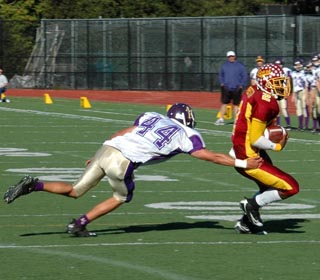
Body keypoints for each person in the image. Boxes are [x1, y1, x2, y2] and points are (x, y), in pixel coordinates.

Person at [3, 103, 262, 237]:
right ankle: (79, 224)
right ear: (186, 118)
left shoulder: (151, 116)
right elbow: (212, 156)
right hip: (124, 160)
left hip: (107, 149)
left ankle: (33, 185)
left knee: (74, 190)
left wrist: (95, 156)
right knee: (121, 197)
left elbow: (124, 132)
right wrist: (243, 163)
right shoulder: (188, 134)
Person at [230, 64, 299, 234]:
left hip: (241, 148)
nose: (282, 86)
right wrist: (276, 145)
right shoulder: (266, 101)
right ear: (266, 82)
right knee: (291, 187)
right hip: (249, 156)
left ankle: (246, 223)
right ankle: (251, 205)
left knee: (267, 188)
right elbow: (255, 138)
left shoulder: (254, 90)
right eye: (277, 82)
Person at [215, 51, 248, 125]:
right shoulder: (224, 66)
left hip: (237, 88)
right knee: (224, 103)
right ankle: (221, 119)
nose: (231, 57)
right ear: (227, 57)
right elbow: (221, 75)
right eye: (230, 56)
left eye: (232, 56)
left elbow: (244, 76)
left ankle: (236, 120)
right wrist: (222, 83)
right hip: (226, 88)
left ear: (235, 56)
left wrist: (241, 84)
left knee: (236, 105)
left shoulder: (240, 66)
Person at [274, 59, 292, 129]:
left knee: (284, 108)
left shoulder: (286, 70)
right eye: (277, 64)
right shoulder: (273, 72)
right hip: (276, 91)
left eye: (280, 64)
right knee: (277, 109)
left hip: (283, 91)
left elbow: (289, 81)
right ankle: (278, 124)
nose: (278, 66)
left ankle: (288, 124)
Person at [291, 59, 308, 130]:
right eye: (296, 65)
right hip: (296, 92)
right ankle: (300, 125)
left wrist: (307, 93)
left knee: (304, 107)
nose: (298, 66)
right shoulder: (293, 73)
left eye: (299, 65)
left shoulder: (304, 72)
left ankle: (305, 125)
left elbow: (306, 84)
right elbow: (294, 84)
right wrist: (293, 94)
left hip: (303, 91)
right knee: (298, 109)